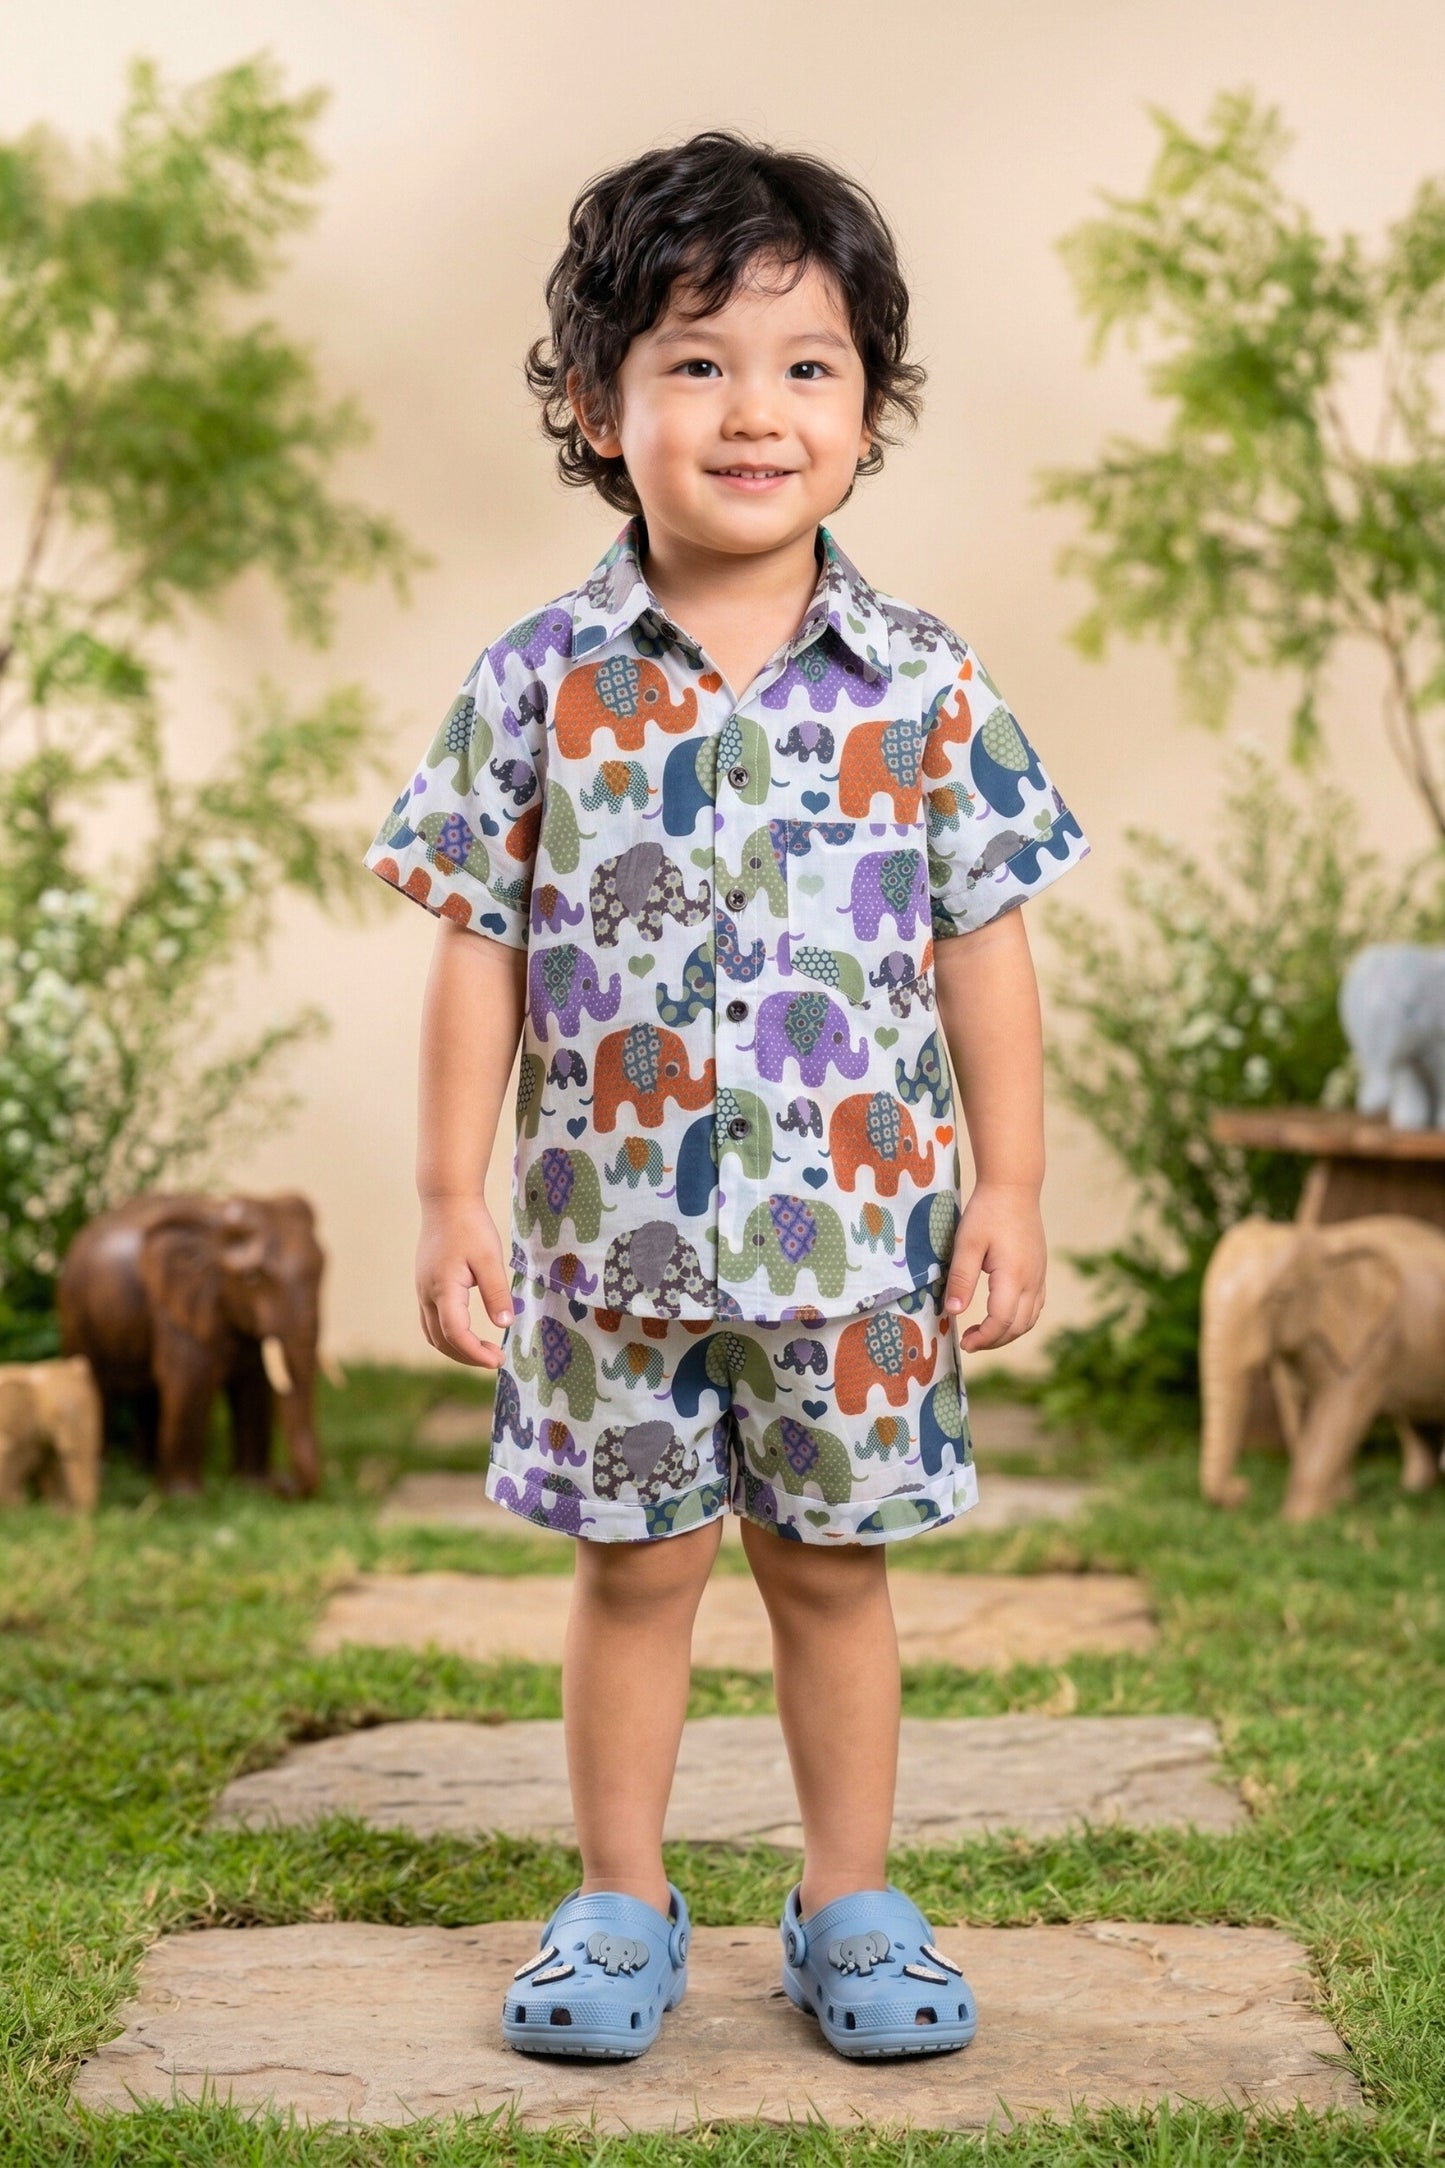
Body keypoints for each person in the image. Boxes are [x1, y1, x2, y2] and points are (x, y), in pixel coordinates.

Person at [362, 129, 1092, 2064]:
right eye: (694, 362)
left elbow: (981, 944)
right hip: (610, 1246)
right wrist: (452, 1202)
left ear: (866, 410)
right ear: (600, 411)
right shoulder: (536, 684)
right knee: (634, 1574)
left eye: (804, 366)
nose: (752, 411)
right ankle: (618, 1902)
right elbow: (478, 947)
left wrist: (1006, 1189)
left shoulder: (924, 687)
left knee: (830, 1575)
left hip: (858, 1249)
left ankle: (847, 1901)